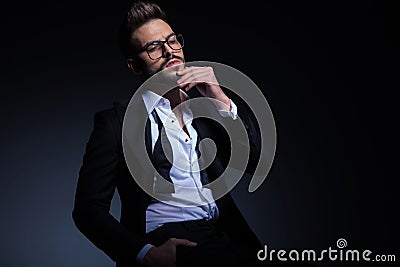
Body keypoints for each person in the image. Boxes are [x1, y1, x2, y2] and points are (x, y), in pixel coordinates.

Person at [72, 1, 276, 267]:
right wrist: (146, 254)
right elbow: (87, 211)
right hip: (166, 242)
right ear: (135, 65)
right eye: (154, 47)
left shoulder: (207, 113)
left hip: (222, 239)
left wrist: (220, 98)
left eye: (172, 41)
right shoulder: (116, 124)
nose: (169, 51)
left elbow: (256, 162)